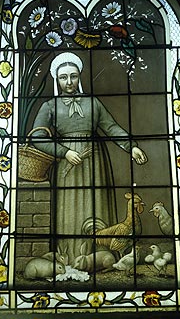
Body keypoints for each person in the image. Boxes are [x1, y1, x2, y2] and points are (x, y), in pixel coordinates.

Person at [31, 52, 148, 264]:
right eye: (63, 77)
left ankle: (97, 255)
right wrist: (64, 152)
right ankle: (69, 257)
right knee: (69, 205)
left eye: (73, 76)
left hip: (95, 162)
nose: (69, 82)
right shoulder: (49, 106)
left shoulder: (93, 103)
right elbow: (36, 138)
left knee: (95, 202)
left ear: (79, 77)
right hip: (67, 164)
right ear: (57, 80)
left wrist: (131, 147)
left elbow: (111, 128)